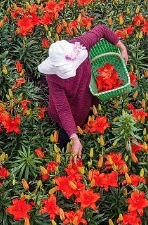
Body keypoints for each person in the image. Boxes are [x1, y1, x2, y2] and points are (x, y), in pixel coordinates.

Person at [38, 25, 128, 159]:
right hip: (68, 111)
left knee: (89, 117)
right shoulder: (52, 76)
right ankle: (63, 159)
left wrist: (122, 48)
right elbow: (63, 109)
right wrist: (74, 137)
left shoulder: (81, 45)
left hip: (88, 97)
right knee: (65, 139)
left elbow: (102, 29)